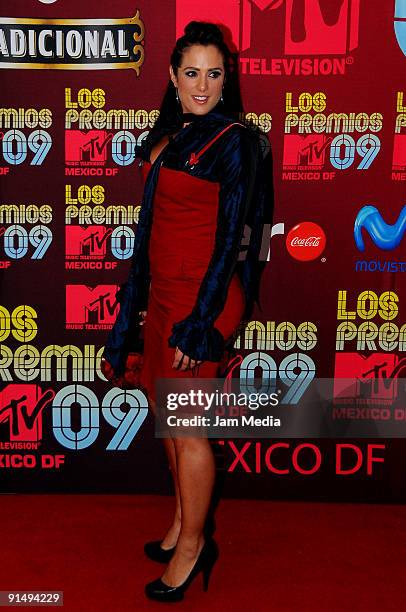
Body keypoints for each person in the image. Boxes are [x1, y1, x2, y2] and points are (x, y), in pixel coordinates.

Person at [103, 21, 273, 603]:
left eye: (214, 73)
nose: (202, 85)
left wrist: (200, 323)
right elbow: (150, 235)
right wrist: (136, 310)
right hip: (162, 298)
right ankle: (182, 522)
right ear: (173, 77)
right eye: (192, 72)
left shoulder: (236, 143)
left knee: (189, 428)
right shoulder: (167, 138)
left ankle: (197, 547)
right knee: (165, 416)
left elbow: (231, 240)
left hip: (202, 298)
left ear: (228, 81)